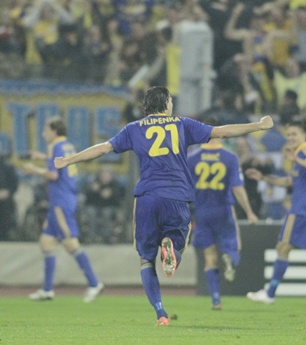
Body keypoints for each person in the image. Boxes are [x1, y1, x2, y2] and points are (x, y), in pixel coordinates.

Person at [54, 86, 273, 326]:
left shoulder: (133, 129)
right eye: (170, 100)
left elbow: (103, 148)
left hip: (146, 196)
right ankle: (173, 250)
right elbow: (221, 132)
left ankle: (160, 313)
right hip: (176, 195)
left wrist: (69, 160)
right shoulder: (182, 124)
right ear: (166, 103)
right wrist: (258, 125)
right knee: (182, 241)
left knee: (146, 259)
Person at [246, 121, 306, 307]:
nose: (290, 138)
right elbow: (289, 181)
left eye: (294, 134)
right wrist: (264, 178)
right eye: (288, 135)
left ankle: (270, 293)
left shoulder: (303, 150)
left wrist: (296, 158)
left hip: (300, 210)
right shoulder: (301, 153)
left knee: (283, 247)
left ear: (304, 134)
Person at [23, 117, 104, 303]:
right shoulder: (67, 146)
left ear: (54, 131)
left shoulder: (54, 147)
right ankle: (47, 289)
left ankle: (94, 283)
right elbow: (59, 161)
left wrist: (34, 169)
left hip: (60, 200)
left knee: (70, 243)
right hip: (64, 198)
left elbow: (53, 174)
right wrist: (42, 157)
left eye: (46, 129)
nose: (43, 133)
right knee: (46, 242)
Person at [187, 117, 259, 310]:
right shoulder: (229, 158)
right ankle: (229, 257)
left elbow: (185, 188)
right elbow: (237, 188)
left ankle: (216, 298)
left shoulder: (192, 159)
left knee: (209, 257)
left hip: (202, 212)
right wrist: (250, 212)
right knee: (233, 248)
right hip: (223, 210)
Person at [0, 154, 19, 241]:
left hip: (5, 197)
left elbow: (14, 183)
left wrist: (8, 192)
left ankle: (5, 235)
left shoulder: (7, 166)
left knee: (6, 211)